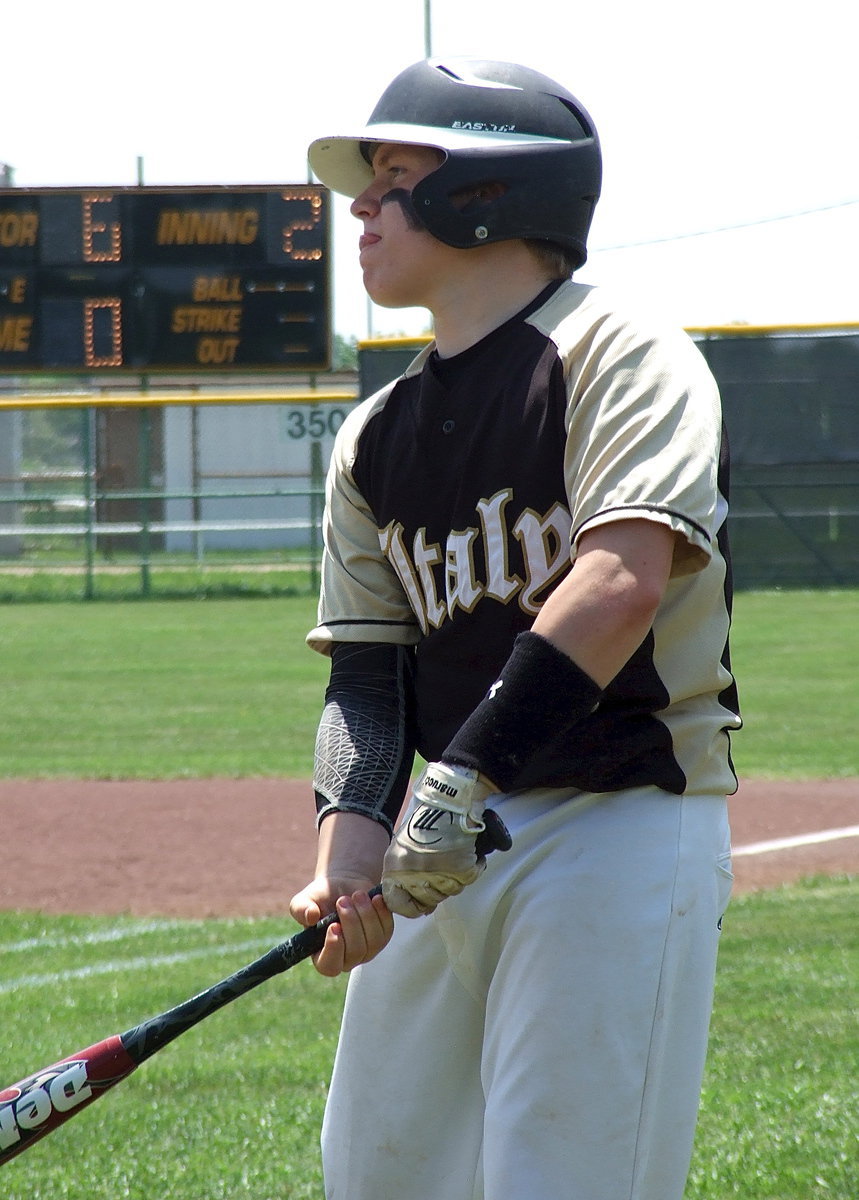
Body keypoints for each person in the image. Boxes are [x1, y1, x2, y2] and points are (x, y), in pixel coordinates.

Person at [289, 56, 741, 1200]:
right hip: (441, 847)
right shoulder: (375, 433)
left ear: (486, 194)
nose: (361, 207)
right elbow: (366, 672)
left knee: (565, 1175)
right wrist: (348, 845)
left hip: (617, 813)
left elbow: (620, 584)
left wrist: (459, 783)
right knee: (378, 1174)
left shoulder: (619, 354)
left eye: (392, 176)